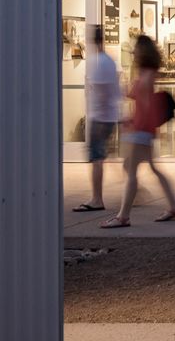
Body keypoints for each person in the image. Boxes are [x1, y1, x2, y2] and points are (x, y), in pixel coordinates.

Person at [101, 35, 175, 228]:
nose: (133, 51)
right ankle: (174, 206)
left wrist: (134, 125)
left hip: (141, 132)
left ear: (142, 51)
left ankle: (123, 216)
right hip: (144, 130)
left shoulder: (146, 76)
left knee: (131, 172)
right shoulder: (147, 72)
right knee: (150, 169)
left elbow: (146, 108)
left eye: (136, 48)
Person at [72, 25, 118, 213]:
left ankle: (97, 199)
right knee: (103, 156)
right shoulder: (109, 61)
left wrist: (98, 119)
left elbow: (102, 93)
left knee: (97, 158)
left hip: (100, 118)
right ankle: (134, 189)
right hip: (107, 117)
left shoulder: (101, 64)